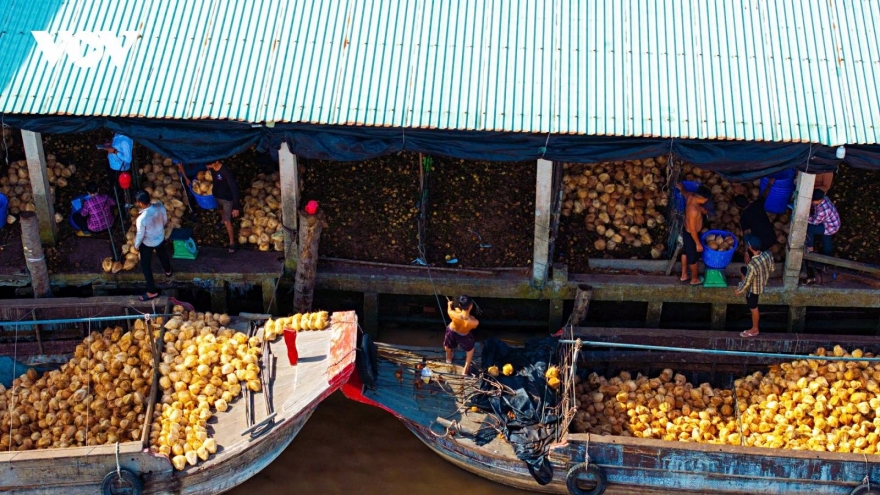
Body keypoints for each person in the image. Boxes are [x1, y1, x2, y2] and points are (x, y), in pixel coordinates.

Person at [132, 190, 172, 301]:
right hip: (159, 237)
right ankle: (168, 271)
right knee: (162, 253)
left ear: (140, 203)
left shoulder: (141, 219)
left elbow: (140, 234)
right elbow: (165, 221)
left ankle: (151, 291)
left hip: (147, 242)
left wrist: (136, 245)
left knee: (145, 266)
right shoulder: (160, 206)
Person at [736, 234, 774, 338]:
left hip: (754, 289)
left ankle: (755, 329)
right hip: (762, 280)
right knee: (743, 269)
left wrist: (739, 290)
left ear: (750, 248)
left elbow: (747, 282)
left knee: (753, 308)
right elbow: (772, 268)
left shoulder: (753, 265)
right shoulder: (768, 254)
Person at [205, 160, 240, 253]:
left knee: (228, 222)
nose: (208, 166)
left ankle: (232, 243)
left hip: (227, 199)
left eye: (210, 164)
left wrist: (236, 207)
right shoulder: (212, 168)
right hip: (217, 196)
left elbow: (234, 189)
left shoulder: (225, 171)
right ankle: (222, 220)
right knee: (221, 211)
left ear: (216, 162)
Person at [680, 185, 711, 286]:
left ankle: (684, 274)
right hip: (691, 235)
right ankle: (694, 279)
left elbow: (684, 193)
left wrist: (682, 188)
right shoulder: (693, 210)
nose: (706, 201)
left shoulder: (691, 196)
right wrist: (698, 243)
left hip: (686, 232)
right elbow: (693, 229)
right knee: (693, 259)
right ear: (700, 198)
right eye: (705, 199)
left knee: (685, 252)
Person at [734, 194, 775, 263]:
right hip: (772, 237)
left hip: (762, 243)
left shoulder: (744, 218)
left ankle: (756, 258)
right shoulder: (757, 204)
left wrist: (746, 252)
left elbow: (746, 235)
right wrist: (770, 184)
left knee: (749, 239)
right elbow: (764, 194)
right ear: (748, 200)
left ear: (738, 207)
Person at [444, 295, 479, 375]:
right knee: (470, 350)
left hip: (452, 331)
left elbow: (449, 311)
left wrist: (449, 304)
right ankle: (465, 369)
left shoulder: (454, 314)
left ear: (460, 305)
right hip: (464, 335)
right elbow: (471, 319)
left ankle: (448, 358)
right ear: (471, 306)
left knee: (448, 346)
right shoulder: (474, 322)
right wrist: (470, 317)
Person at [806, 189, 840, 255]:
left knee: (809, 228)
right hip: (833, 223)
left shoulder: (822, 211)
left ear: (819, 200)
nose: (812, 202)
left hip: (831, 227)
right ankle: (828, 255)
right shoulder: (824, 197)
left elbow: (814, 222)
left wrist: (805, 217)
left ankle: (810, 249)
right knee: (826, 239)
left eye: (813, 201)